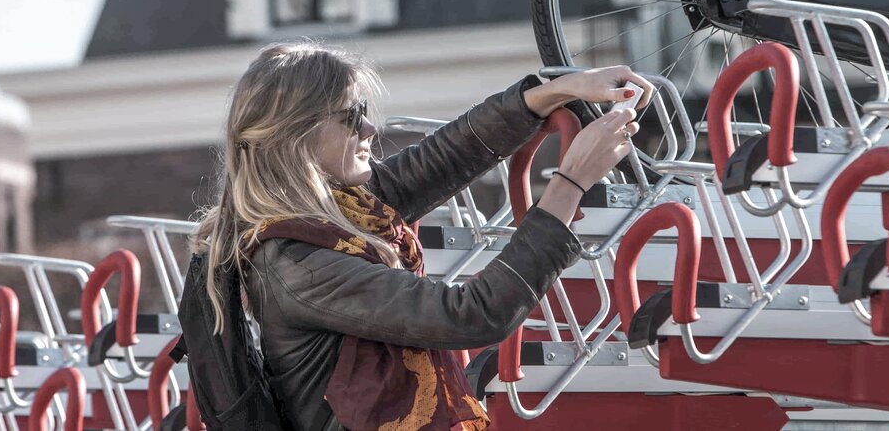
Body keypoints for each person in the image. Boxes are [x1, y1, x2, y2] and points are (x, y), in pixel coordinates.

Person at [188, 41, 650, 430]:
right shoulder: (297, 262)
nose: (371, 127)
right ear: (298, 135)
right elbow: (471, 315)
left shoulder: (341, 212)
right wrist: (568, 185)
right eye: (353, 115)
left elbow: (442, 160)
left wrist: (553, 92)